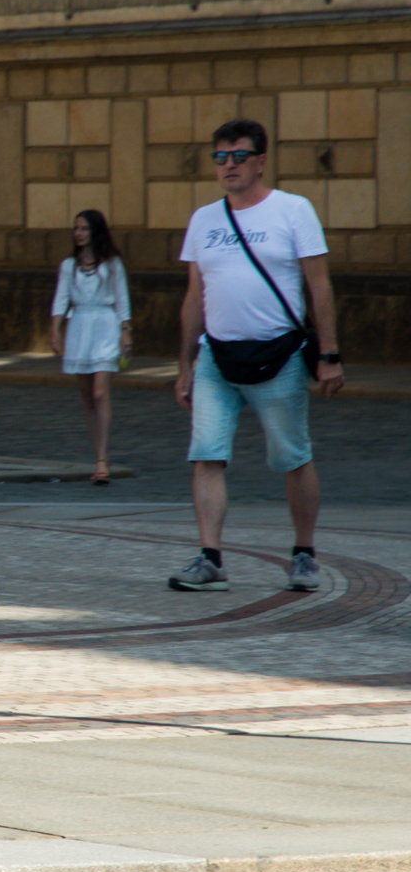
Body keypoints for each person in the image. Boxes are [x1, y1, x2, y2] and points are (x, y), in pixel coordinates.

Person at [168, 118, 344, 593]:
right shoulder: (204, 219)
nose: (229, 165)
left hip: (280, 356)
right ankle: (210, 558)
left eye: (239, 156)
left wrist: (329, 353)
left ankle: (304, 554)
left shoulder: (293, 210)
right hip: (216, 359)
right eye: (220, 157)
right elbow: (194, 295)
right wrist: (184, 364)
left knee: (292, 457)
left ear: (261, 161)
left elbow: (319, 284)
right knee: (206, 455)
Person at [50, 209, 132, 486]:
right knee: (87, 397)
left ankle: (103, 459)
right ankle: (98, 453)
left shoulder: (112, 264)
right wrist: (55, 330)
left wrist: (125, 331)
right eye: (76, 228)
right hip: (80, 328)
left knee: (100, 393)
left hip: (105, 325)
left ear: (95, 231)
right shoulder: (68, 266)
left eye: (84, 228)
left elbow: (122, 298)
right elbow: (61, 300)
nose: (79, 233)